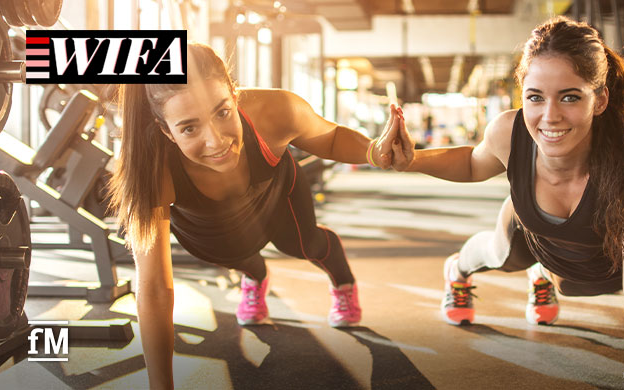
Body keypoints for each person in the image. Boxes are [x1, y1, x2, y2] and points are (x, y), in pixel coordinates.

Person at [392, 17, 624, 389]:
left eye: (570, 96)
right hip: (527, 225)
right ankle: (457, 272)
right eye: (535, 97)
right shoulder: (507, 133)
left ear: (601, 99)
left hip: (584, 261)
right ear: (523, 95)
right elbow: (470, 163)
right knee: (500, 254)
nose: (550, 116)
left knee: (576, 285)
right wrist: (411, 160)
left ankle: (542, 272)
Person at [108, 43, 411, 389]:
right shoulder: (150, 166)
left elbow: (330, 137)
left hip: (274, 195)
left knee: (302, 243)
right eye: (189, 129)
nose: (216, 141)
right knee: (232, 252)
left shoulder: (274, 109)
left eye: (222, 113)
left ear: (235, 96)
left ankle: (343, 283)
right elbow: (155, 289)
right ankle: (256, 277)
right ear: (166, 132)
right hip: (209, 226)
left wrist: (375, 150)